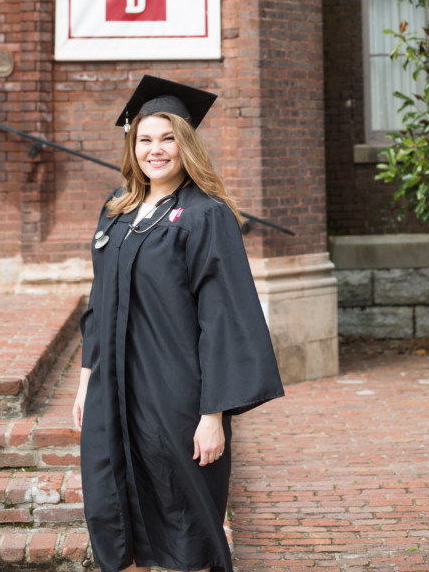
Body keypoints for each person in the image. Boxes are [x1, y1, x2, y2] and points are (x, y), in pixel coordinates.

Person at [73, 76, 284, 572]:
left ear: (186, 144)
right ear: (132, 146)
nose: (156, 150)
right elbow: (99, 302)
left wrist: (214, 415)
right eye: (145, 139)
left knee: (182, 518)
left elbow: (225, 317)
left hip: (174, 398)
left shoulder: (206, 216)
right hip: (111, 391)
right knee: (111, 511)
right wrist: (86, 382)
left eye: (168, 138)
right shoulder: (116, 210)